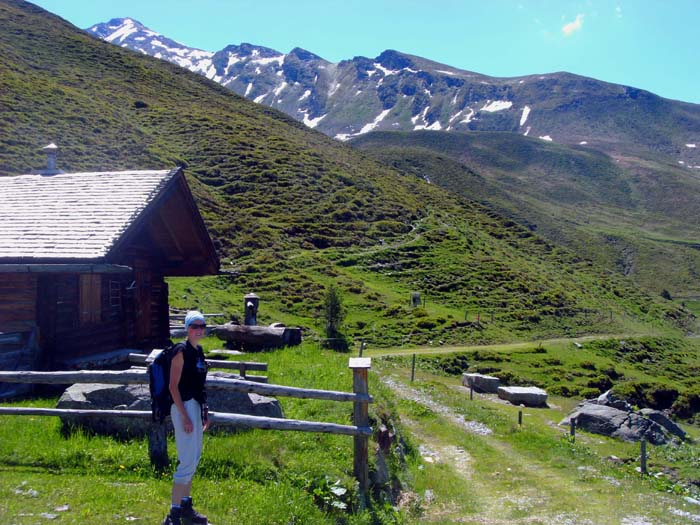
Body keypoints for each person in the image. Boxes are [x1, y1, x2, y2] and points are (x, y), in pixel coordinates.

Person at [163, 310, 210, 525]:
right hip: (182, 406)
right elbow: (173, 387)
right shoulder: (180, 351)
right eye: (195, 326)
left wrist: (203, 413)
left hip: (195, 407)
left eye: (202, 326)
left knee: (194, 458)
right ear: (187, 328)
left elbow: (200, 386)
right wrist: (185, 417)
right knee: (186, 461)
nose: (199, 330)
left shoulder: (198, 352)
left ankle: (186, 506)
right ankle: (173, 515)